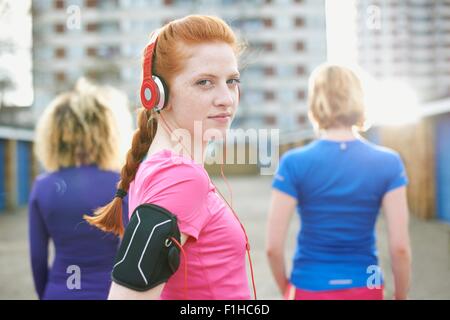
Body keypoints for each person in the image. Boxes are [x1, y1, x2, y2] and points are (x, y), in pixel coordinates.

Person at [85, 15, 254, 300]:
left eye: (232, 80)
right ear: (157, 94)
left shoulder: (157, 166)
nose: (226, 98)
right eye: (204, 82)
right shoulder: (179, 177)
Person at [266, 64, 412, 300]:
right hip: (367, 285)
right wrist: (401, 296)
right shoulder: (389, 162)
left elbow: (273, 248)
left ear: (316, 102)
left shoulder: (293, 162)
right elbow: (400, 248)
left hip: (308, 285)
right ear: (359, 99)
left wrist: (287, 289)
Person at [29, 78, 132, 299]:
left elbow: (37, 258)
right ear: (108, 133)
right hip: (110, 293)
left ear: (54, 136)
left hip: (58, 291)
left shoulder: (43, 187)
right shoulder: (123, 185)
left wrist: (48, 293)